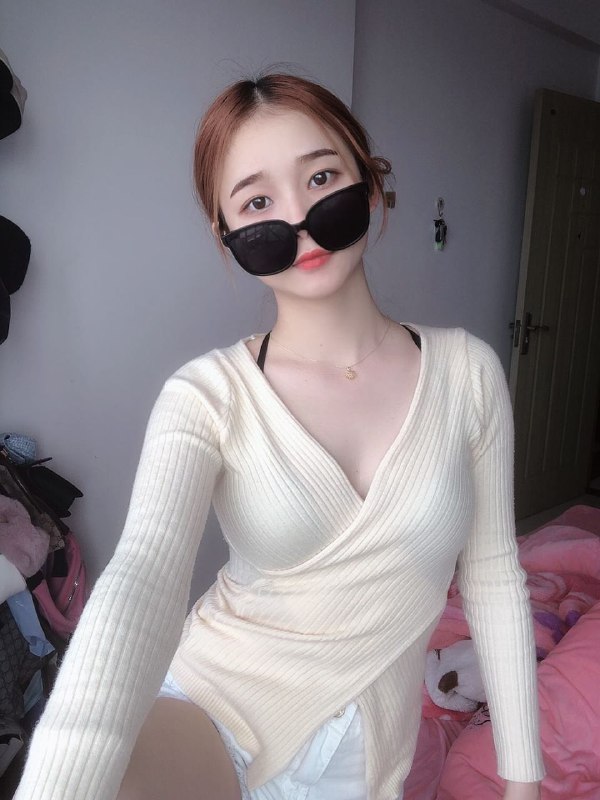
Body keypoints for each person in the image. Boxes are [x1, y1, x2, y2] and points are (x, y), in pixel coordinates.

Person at [14, 73, 545, 800]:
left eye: (321, 177)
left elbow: (492, 576)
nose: (298, 219)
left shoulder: (470, 374)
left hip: (364, 753)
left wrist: (522, 777)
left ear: (370, 181)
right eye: (258, 202)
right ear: (226, 234)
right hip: (214, 706)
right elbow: (143, 576)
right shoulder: (206, 395)